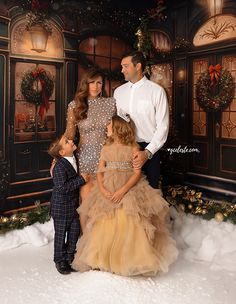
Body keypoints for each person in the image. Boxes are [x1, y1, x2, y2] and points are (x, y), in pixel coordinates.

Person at [72, 113, 178, 276]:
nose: (105, 128)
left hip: (128, 187)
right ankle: (101, 258)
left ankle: (131, 259)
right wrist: (103, 189)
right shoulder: (105, 147)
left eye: (108, 126)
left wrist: (122, 191)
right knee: (105, 220)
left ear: (117, 128)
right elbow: (100, 171)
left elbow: (136, 174)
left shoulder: (134, 148)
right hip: (107, 186)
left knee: (128, 218)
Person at [64, 68, 116, 232]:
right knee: (86, 202)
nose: (95, 86)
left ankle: (102, 238)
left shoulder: (110, 103)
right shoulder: (75, 105)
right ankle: (86, 240)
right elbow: (69, 135)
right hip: (85, 159)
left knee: (105, 200)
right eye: (91, 82)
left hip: (107, 158)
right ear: (85, 83)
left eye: (99, 82)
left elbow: (117, 132)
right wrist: (56, 158)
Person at [114, 51, 169, 189]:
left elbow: (163, 126)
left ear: (138, 66)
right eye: (122, 66)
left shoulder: (157, 91)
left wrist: (147, 152)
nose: (122, 70)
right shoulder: (118, 92)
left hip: (149, 149)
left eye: (125, 66)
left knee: (150, 194)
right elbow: (116, 121)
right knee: (126, 193)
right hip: (124, 148)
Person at [48, 134, 87, 275]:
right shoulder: (59, 166)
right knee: (60, 234)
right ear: (62, 152)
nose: (71, 141)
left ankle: (70, 256)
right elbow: (62, 187)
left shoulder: (73, 157)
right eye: (66, 141)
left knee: (74, 232)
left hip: (73, 206)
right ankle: (59, 259)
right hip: (61, 207)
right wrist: (81, 180)